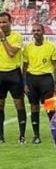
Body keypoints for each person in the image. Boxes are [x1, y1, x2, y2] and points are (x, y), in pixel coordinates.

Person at [22, 23, 56, 144]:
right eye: (34, 30)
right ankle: (36, 135)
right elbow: (25, 66)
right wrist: (25, 83)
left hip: (46, 79)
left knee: (50, 107)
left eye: (38, 30)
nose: (36, 32)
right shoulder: (28, 48)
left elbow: (55, 65)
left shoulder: (51, 47)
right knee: (34, 106)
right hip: (32, 79)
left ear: (43, 32)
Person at [0, 11, 27, 143]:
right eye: (0, 22)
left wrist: (3, 38)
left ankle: (22, 136)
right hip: (0, 74)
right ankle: (0, 136)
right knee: (0, 105)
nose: (2, 24)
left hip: (14, 74)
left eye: (5, 22)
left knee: (19, 104)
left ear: (10, 22)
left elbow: (11, 53)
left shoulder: (17, 36)